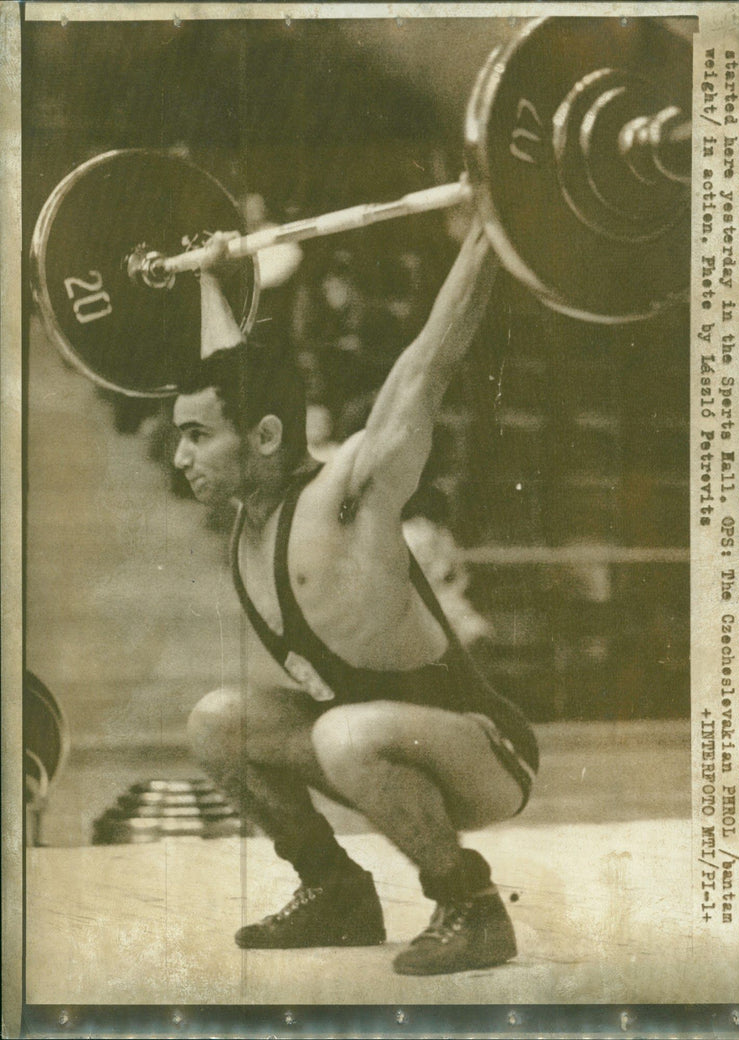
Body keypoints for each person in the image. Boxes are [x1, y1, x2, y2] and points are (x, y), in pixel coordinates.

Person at [172, 219, 538, 976]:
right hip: (370, 743)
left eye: (198, 437)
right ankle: (336, 892)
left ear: (265, 437)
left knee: (343, 734)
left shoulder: (350, 494)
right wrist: (209, 277)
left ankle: (469, 906)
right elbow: (237, 376)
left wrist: (493, 228)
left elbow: (426, 365)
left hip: (481, 750)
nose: (182, 457)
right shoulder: (253, 517)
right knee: (217, 722)